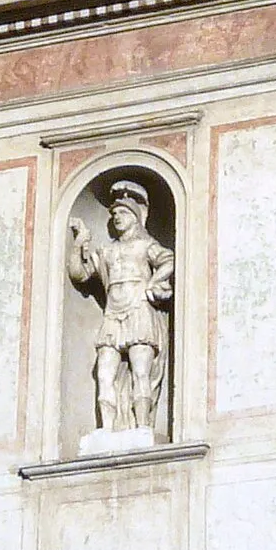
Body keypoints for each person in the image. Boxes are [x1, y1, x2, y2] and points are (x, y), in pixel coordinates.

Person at [66, 179, 174, 436]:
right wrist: (79, 241)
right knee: (105, 373)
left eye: (123, 213)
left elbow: (169, 259)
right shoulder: (106, 251)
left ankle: (143, 427)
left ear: (136, 217)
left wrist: (154, 284)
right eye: (114, 213)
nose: (117, 217)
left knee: (141, 372)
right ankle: (107, 429)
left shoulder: (145, 245)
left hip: (138, 310)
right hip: (113, 315)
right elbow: (79, 274)